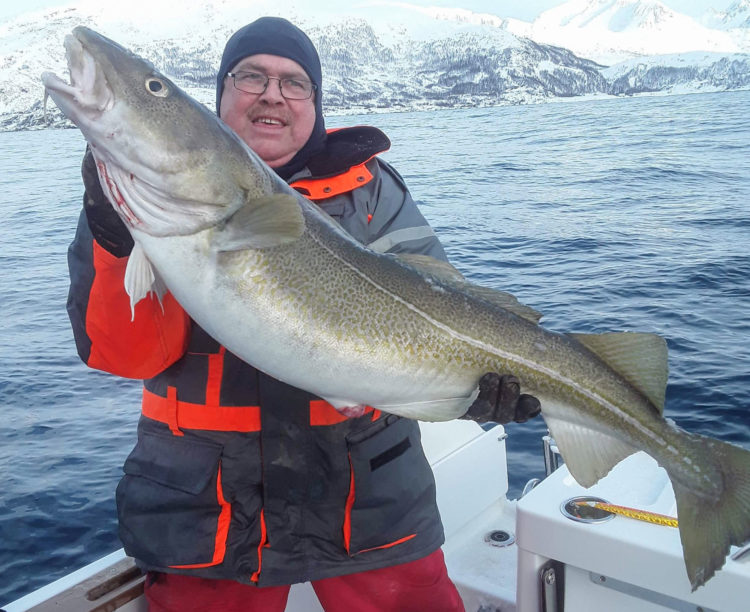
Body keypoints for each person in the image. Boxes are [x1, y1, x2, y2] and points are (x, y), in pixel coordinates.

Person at [67, 17, 541, 612]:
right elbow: (124, 354)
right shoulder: (134, 203)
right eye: (251, 77)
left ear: (315, 105)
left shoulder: (372, 194)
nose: (272, 94)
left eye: (295, 83)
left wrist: (466, 386)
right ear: (218, 98)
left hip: (366, 500)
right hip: (206, 511)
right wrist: (113, 235)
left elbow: (441, 306)